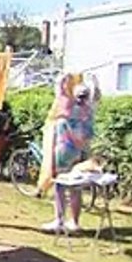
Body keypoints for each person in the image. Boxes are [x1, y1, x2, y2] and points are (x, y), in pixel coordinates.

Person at [41, 73, 99, 233]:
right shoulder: (89, 110)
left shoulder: (67, 106)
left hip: (63, 150)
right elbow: (97, 95)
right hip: (79, 152)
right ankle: (74, 222)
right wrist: (94, 82)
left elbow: (59, 89)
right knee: (75, 187)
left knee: (60, 185)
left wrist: (64, 77)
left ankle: (59, 220)